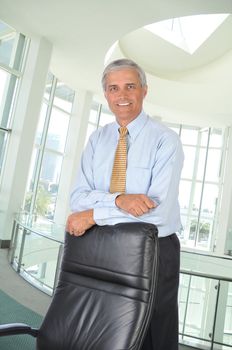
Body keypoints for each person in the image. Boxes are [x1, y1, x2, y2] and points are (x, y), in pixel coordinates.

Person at [66, 58, 184, 350]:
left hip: (153, 248)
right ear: (106, 95)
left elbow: (156, 212)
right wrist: (120, 200)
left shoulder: (165, 140)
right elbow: (77, 197)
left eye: (130, 86)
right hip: (101, 244)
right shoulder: (98, 139)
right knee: (106, 327)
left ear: (144, 90)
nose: (122, 95)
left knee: (152, 332)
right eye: (113, 88)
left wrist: (95, 213)